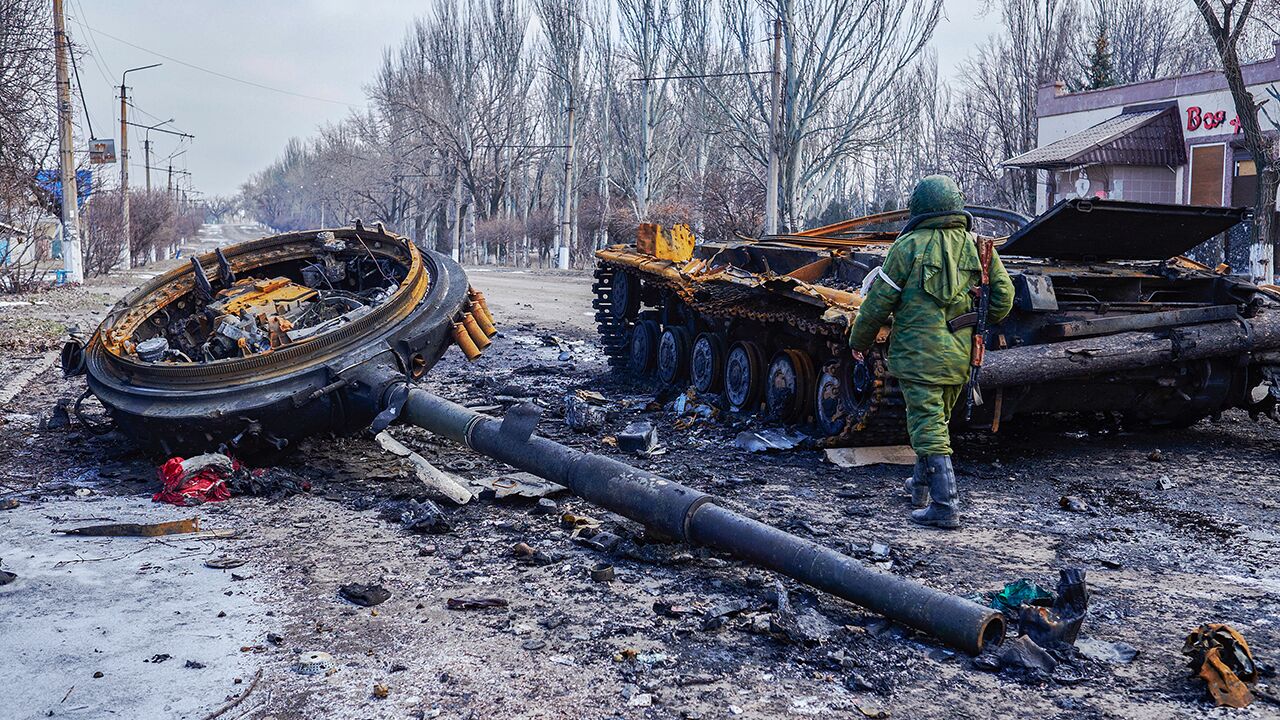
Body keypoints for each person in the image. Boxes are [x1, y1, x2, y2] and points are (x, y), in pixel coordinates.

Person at [847, 175, 1013, 529]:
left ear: (920, 207)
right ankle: (920, 486)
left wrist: (858, 341)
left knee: (926, 424)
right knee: (934, 421)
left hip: (917, 355)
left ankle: (945, 504)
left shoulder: (907, 246)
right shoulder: (980, 247)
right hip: (960, 356)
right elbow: (1004, 299)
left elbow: (877, 303)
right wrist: (975, 319)